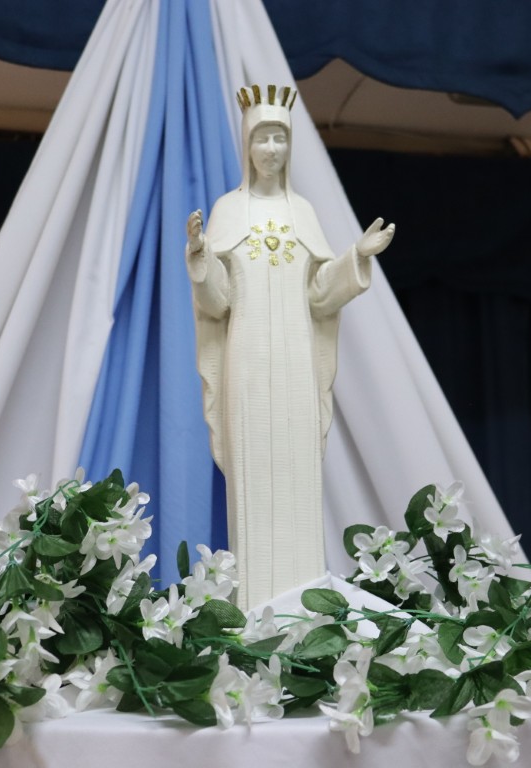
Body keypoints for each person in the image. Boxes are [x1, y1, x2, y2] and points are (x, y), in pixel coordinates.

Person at [185, 84, 395, 609]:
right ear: (246, 144)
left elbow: (320, 296)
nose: (272, 148)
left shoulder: (302, 211)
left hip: (297, 359)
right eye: (263, 138)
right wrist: (201, 259)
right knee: (254, 470)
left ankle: (303, 606)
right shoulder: (229, 210)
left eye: (281, 138)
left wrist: (356, 257)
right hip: (248, 357)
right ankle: (257, 607)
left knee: (298, 472)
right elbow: (218, 302)